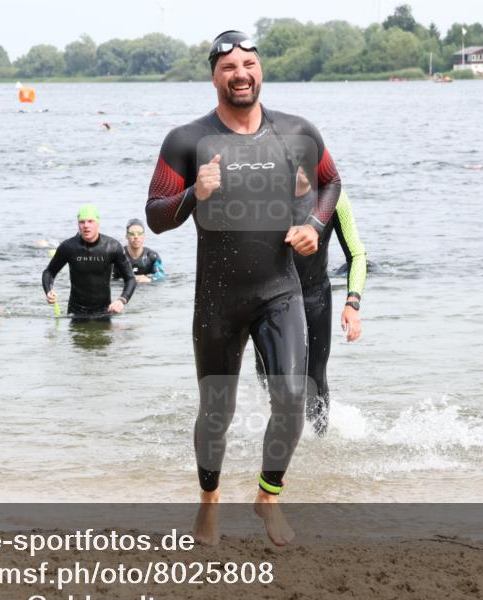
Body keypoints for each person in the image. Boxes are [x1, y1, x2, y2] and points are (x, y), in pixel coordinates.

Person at [145, 29, 341, 546]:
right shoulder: (186, 140)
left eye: (248, 64)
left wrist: (316, 228)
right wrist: (193, 193)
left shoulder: (296, 132)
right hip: (218, 300)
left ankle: (267, 496)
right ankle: (209, 500)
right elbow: (156, 216)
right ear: (214, 76)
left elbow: (330, 183)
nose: (240, 74)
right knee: (217, 411)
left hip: (279, 290)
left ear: (260, 70)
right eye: (229, 67)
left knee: (293, 397)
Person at [254, 183, 367, 436]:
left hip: (314, 296)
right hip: (270, 299)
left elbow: (357, 254)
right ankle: (278, 434)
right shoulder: (264, 191)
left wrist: (353, 302)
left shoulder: (333, 197)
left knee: (315, 376)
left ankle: (319, 443)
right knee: (268, 373)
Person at [42, 204, 137, 319]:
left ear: (98, 223)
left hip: (104, 311)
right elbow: (49, 272)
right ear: (78, 224)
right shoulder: (69, 247)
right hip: (76, 312)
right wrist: (48, 291)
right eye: (82, 222)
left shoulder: (112, 246)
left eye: (90, 221)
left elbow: (130, 278)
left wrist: (122, 300)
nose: (86, 225)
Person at [111, 219, 165, 283]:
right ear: (126, 236)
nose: (136, 237)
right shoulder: (117, 257)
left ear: (144, 236)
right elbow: (108, 279)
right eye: (132, 234)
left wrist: (150, 279)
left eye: (139, 233)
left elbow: (161, 276)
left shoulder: (152, 256)